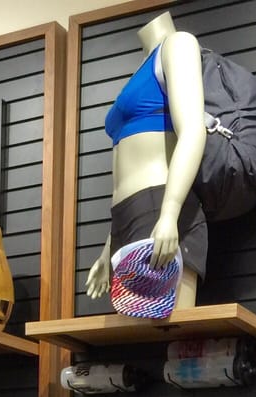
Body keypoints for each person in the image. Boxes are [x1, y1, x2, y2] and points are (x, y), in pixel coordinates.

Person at [86, 11, 207, 311]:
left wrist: (169, 213)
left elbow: (193, 131)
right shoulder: (143, 66)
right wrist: (108, 248)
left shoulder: (177, 44)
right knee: (138, 336)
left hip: (160, 207)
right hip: (127, 216)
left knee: (170, 332)